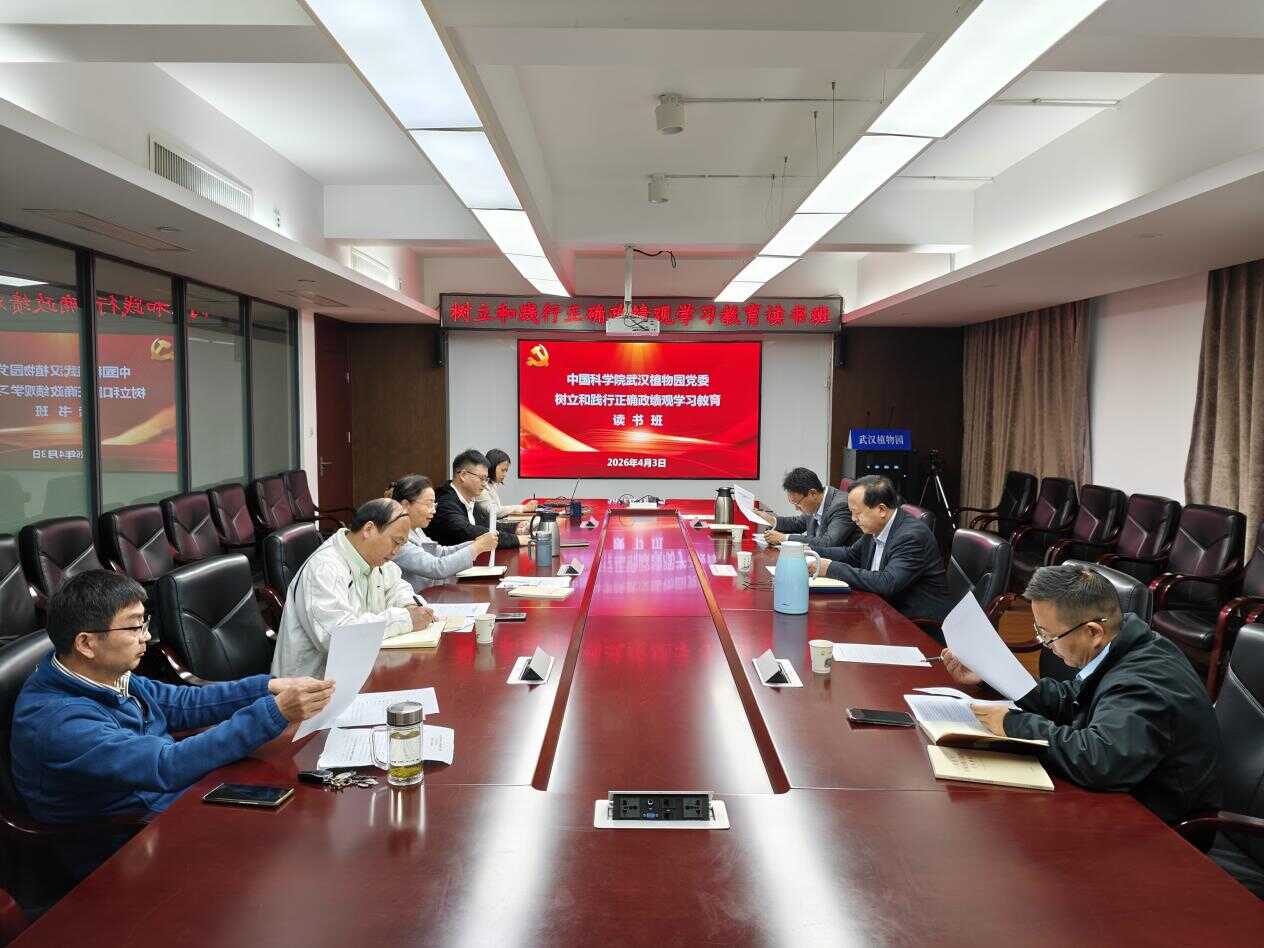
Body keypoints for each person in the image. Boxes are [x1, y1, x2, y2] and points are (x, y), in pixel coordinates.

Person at [11, 570, 333, 863]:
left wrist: (267, 687)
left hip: (168, 799)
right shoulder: (58, 722)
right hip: (127, 842)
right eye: (134, 626)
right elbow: (165, 765)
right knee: (290, 844)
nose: (145, 637)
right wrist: (273, 713)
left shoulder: (99, 672)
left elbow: (181, 703)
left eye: (144, 623)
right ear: (86, 643)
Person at [941, 564, 1222, 824]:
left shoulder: (1142, 683)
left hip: (1161, 827)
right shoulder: (1121, 644)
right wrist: (990, 677)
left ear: (1093, 632)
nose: (1046, 645)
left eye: (1048, 635)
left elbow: (1099, 759)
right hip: (1125, 798)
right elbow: (1071, 699)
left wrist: (1014, 724)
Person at [271, 498, 436, 677]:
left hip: (358, 669)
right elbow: (339, 637)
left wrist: (409, 605)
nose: (396, 552)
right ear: (368, 529)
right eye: (395, 542)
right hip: (312, 684)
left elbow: (396, 586)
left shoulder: (373, 557)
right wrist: (405, 619)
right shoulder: (325, 568)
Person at [810, 475, 955, 629]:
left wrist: (830, 568)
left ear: (881, 510)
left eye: (857, 513)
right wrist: (810, 551)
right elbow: (851, 554)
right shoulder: (876, 527)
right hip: (881, 610)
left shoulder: (911, 536)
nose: (853, 518)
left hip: (914, 624)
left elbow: (887, 582)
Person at [388, 474, 499, 590]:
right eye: (428, 504)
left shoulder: (415, 529)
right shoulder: (397, 538)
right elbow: (436, 568)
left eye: (434, 505)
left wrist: (475, 543)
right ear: (405, 505)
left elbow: (440, 552)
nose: (433, 511)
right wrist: (477, 547)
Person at [430, 449, 530, 550]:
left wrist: (515, 528)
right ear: (463, 475)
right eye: (482, 478)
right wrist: (516, 539)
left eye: (486, 479)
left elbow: (486, 525)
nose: (484, 484)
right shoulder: (445, 503)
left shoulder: (470, 501)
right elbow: (470, 532)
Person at [757, 467, 858, 549]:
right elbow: (798, 523)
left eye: (797, 503)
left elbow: (827, 543)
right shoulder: (816, 503)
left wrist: (785, 538)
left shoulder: (841, 506)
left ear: (813, 494)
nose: (796, 508)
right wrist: (771, 520)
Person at [479, 449, 539, 518]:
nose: (505, 474)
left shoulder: (492, 485)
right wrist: (524, 508)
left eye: (506, 471)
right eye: (502, 470)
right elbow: (494, 511)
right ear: (491, 468)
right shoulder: (481, 486)